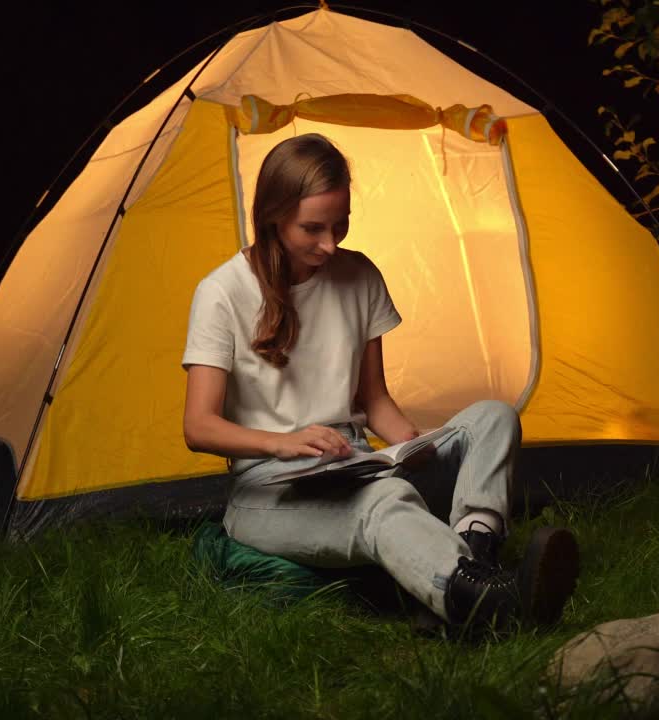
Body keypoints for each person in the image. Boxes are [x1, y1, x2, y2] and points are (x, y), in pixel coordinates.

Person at [180, 132, 578, 631]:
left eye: (340, 224)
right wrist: (282, 443)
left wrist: (411, 447)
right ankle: (492, 607)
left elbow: (374, 399)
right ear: (272, 216)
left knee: (493, 419)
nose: (331, 243)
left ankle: (475, 563)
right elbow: (199, 427)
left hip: (356, 464)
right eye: (313, 228)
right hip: (269, 488)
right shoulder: (221, 292)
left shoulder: (360, 275)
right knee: (383, 502)